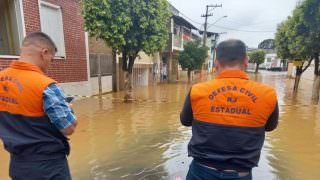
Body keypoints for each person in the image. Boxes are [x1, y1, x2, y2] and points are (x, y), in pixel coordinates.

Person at [180, 39, 279, 180]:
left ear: (216, 63)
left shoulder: (197, 91)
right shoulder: (267, 94)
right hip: (241, 174)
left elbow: (185, 121)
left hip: (201, 172)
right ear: (246, 61)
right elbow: (270, 127)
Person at [0, 32, 77, 180]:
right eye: (52, 59)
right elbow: (68, 128)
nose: (50, 63)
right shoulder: (45, 86)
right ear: (45, 53)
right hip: (48, 167)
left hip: (17, 165)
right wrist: (69, 109)